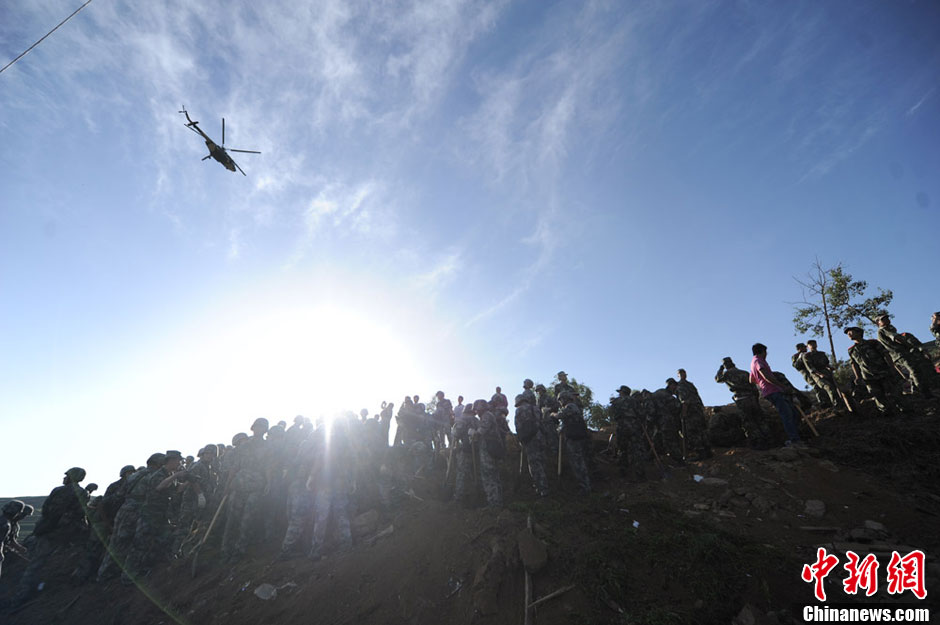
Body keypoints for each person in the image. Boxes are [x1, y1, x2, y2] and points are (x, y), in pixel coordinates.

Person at [13, 467, 89, 606]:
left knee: (36, 563)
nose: (64, 478)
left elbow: (46, 509)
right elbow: (80, 513)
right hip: (69, 531)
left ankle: (23, 594)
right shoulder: (82, 493)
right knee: (86, 550)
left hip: (49, 531)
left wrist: (46, 526)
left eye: (66, 476)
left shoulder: (57, 490)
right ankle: (79, 579)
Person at [123, 451, 185, 582]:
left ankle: (158, 568)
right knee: (140, 544)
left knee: (165, 540)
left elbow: (175, 490)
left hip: (161, 515)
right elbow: (160, 487)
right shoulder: (159, 474)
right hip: (149, 514)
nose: (179, 463)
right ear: (171, 460)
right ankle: (128, 576)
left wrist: (189, 481)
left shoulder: (169, 475)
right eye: (178, 460)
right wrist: (176, 476)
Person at [222, 418, 270, 561]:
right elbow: (235, 467)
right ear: (253, 428)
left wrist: (269, 482)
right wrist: (227, 484)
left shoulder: (268, 446)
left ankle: (239, 550)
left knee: (248, 518)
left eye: (263, 427)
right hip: (239, 484)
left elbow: (269, 467)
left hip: (257, 484)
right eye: (257, 426)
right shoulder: (243, 447)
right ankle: (225, 550)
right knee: (232, 518)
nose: (260, 429)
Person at [307, 419, 354, 560]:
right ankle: (347, 545)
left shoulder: (326, 442)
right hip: (340, 483)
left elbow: (319, 460)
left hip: (325, 483)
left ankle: (316, 551)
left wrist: (311, 477)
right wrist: (352, 481)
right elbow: (352, 463)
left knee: (321, 518)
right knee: (342, 515)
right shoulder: (346, 443)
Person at [749, 344, 803, 447]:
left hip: (770, 391)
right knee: (787, 415)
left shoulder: (753, 362)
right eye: (766, 352)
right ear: (763, 351)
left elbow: (751, 379)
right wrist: (781, 386)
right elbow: (766, 376)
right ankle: (794, 440)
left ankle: (796, 436)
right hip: (773, 391)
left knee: (793, 413)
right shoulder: (758, 361)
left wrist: (760, 382)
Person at [845, 326, 905, 416]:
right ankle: (887, 413)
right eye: (847, 333)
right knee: (878, 396)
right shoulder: (851, 350)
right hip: (869, 377)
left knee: (894, 392)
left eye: (851, 332)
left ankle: (905, 410)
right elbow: (854, 364)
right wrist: (857, 376)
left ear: (859, 333)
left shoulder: (872, 343)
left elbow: (886, 355)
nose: (849, 334)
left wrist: (892, 368)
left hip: (883, 372)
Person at [715, 357, 773, 449]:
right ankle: (770, 440)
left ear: (725, 366)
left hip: (741, 399)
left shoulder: (727, 374)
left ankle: (758, 443)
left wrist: (720, 369)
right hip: (752, 398)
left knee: (748, 421)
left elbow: (718, 379)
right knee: (760, 419)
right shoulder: (745, 373)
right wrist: (755, 399)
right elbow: (754, 387)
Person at [876, 314, 938, 399]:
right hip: (901, 354)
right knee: (915, 371)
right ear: (878, 323)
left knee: (914, 371)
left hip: (899, 355)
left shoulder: (887, 329)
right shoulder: (884, 330)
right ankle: (925, 393)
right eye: (883, 319)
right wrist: (908, 346)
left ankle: (916, 390)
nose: (886, 320)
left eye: (887, 318)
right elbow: (897, 338)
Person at [514, 379, 549, 497]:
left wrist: (521, 440)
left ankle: (542, 490)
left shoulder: (519, 411)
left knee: (534, 465)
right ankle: (546, 485)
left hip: (530, 440)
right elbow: (542, 422)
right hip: (541, 437)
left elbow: (518, 427)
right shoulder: (536, 409)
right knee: (542, 462)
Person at [610, 385, 648, 480]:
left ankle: (623, 472)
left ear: (622, 392)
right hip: (633, 426)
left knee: (623, 449)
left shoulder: (616, 401)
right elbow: (642, 414)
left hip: (621, 426)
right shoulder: (634, 401)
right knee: (637, 449)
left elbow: (612, 414)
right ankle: (640, 474)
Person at [673, 370, 712, 460]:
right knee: (701, 430)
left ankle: (701, 453)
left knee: (693, 432)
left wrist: (683, 413)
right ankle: (707, 451)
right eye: (681, 373)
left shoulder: (681, 386)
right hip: (697, 410)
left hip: (691, 412)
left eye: (683, 373)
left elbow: (684, 401)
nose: (683, 375)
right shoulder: (689, 385)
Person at [557, 392, 591, 493]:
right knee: (576, 462)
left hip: (575, 438)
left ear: (566, 398)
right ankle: (583, 485)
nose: (560, 402)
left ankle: (585, 486)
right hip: (572, 437)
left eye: (561, 399)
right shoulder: (572, 407)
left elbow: (561, 415)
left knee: (578, 462)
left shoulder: (571, 406)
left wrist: (553, 414)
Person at [475, 399, 506, 507]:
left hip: (489, 451)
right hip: (492, 449)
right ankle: (497, 502)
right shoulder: (489, 415)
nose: (476, 412)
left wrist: (473, 433)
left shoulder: (487, 416)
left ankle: (494, 504)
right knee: (494, 477)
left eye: (477, 409)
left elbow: (482, 430)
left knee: (489, 477)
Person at [451, 400, 480, 506]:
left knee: (461, 473)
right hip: (478, 451)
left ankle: (459, 498)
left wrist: (454, 434)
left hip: (466, 450)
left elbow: (457, 434)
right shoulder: (477, 420)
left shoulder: (462, 420)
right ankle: (476, 495)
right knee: (475, 472)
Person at [803, 341, 843, 411]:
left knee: (837, 387)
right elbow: (811, 369)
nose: (813, 345)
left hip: (827, 373)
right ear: (808, 346)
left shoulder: (822, 354)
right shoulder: (807, 356)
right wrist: (820, 374)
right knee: (829, 388)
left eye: (814, 343)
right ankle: (836, 406)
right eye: (810, 344)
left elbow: (826, 364)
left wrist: (830, 368)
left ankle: (841, 403)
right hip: (817, 376)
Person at [793, 343, 831, 408]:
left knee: (823, 384)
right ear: (799, 348)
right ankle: (823, 402)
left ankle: (828, 400)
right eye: (804, 347)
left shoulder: (809, 354)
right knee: (816, 386)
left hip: (815, 372)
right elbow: (796, 366)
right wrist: (800, 358)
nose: (806, 348)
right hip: (807, 374)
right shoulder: (796, 356)